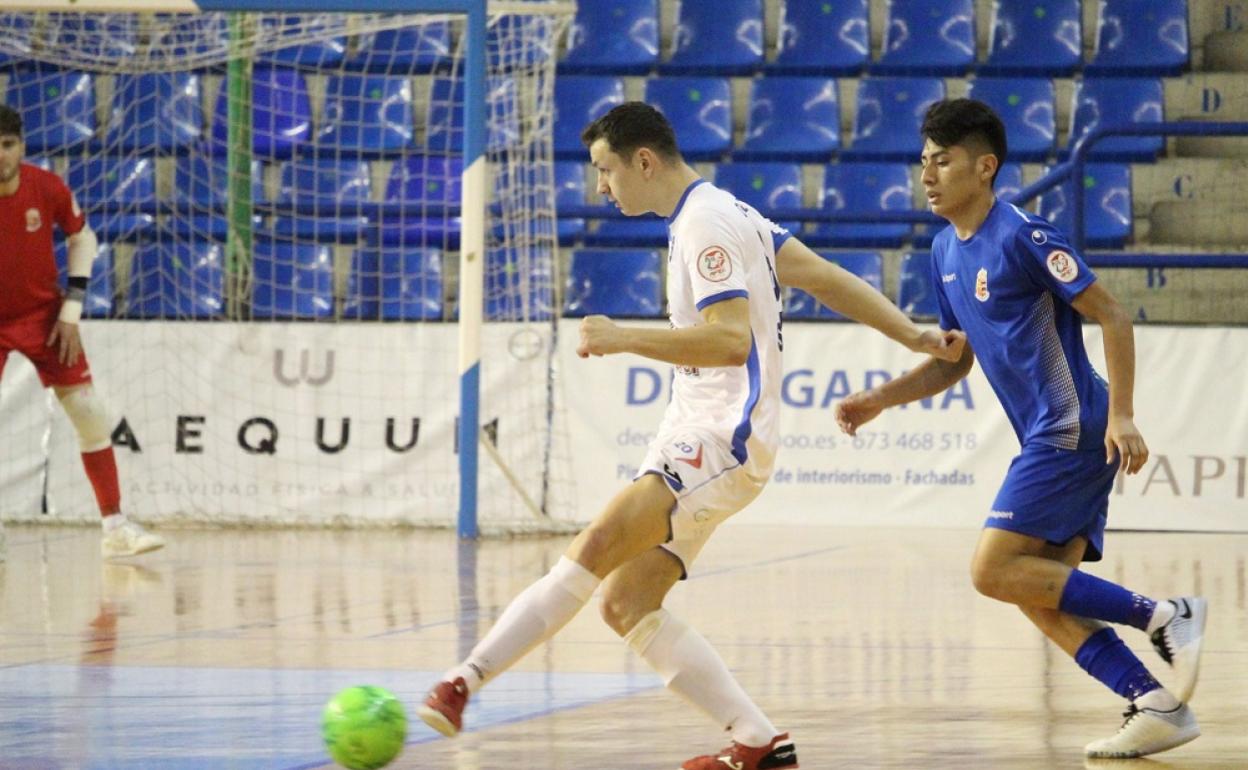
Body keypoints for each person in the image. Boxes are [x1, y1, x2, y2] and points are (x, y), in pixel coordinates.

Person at [417, 102, 964, 769]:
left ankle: (461, 683)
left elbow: (732, 343)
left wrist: (622, 337)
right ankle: (757, 740)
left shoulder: (706, 223)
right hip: (708, 435)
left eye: (605, 170)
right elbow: (823, 276)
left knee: (594, 545)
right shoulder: (725, 211)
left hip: (721, 437)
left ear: (643, 161)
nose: (601, 187)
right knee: (625, 602)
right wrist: (913, 334)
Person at [833, 99, 1206, 759]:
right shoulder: (945, 248)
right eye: (923, 162)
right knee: (1034, 590)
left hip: (1070, 424)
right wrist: (882, 398)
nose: (928, 175)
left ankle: (1165, 615)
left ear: (985, 167)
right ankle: (1155, 704)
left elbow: (1112, 315)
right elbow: (955, 360)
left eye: (942, 161)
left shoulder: (1023, 235)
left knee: (991, 570)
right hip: (1050, 430)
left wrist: (1121, 414)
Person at [0, 104, 164, 561]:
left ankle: (115, 527)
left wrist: (71, 309)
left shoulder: (46, 187)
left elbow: (83, 238)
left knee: (91, 415)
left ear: (21, 147)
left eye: (7, 144)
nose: (0, 155)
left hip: (45, 319)